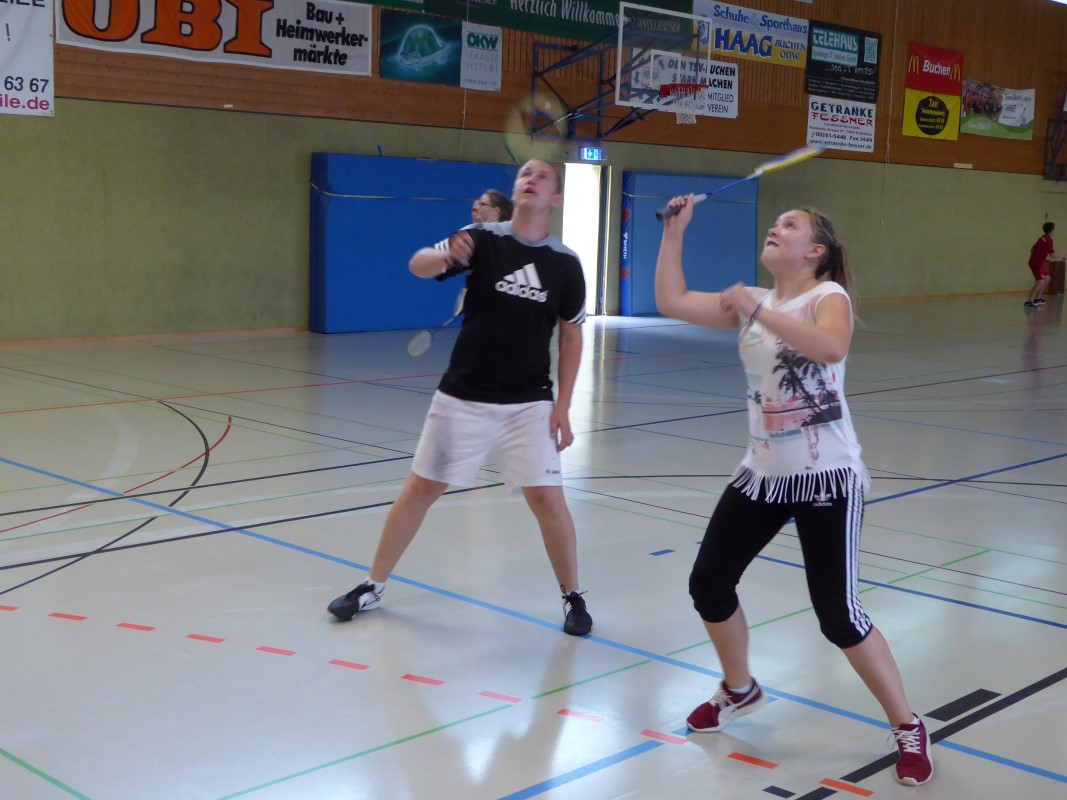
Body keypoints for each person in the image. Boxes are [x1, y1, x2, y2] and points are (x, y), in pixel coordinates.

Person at [654, 196, 933, 787]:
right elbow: (671, 301)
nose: (776, 229)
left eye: (791, 225)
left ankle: (908, 725)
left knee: (839, 616)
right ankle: (740, 689)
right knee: (709, 583)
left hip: (827, 475)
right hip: (761, 474)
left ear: (816, 251)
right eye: (776, 223)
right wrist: (675, 233)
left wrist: (754, 308)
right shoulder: (755, 301)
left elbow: (831, 347)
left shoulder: (827, 296)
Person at [328, 160, 592, 636]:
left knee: (548, 501)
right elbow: (417, 264)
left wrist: (563, 407)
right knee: (420, 489)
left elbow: (571, 337)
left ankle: (573, 597)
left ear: (555, 198)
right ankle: (372, 585)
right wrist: (447, 255)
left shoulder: (566, 264)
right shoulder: (481, 239)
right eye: (525, 174)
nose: (531, 179)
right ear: (516, 191)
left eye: (543, 176)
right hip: (464, 393)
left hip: (529, 400)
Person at [1024, 221, 1055, 309]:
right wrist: (1064, 255)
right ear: (1052, 230)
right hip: (1036, 264)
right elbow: (1052, 255)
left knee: (1047, 278)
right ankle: (1029, 301)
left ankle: (1037, 299)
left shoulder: (1042, 237)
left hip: (1038, 263)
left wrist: (1036, 257)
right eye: (1054, 229)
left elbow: (1032, 249)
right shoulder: (1048, 239)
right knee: (1040, 281)